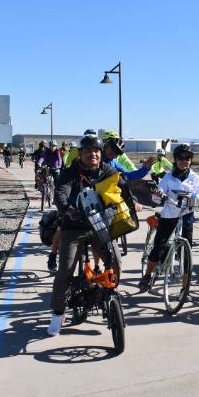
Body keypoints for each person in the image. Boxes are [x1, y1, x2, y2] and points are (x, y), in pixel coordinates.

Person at [47, 134, 123, 336]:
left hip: (99, 226)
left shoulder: (107, 171)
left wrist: (132, 201)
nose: (93, 154)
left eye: (96, 151)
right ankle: (57, 314)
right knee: (65, 270)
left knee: (114, 261)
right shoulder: (70, 173)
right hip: (75, 225)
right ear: (80, 153)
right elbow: (60, 194)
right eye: (88, 151)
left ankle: (109, 294)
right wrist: (67, 209)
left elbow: (120, 187)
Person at [138, 144, 199, 301]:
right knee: (159, 247)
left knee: (186, 255)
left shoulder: (195, 178)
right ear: (175, 160)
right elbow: (157, 198)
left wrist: (198, 198)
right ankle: (148, 275)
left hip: (186, 218)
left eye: (187, 158)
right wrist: (158, 194)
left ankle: (185, 289)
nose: (184, 161)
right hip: (169, 217)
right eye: (180, 158)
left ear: (191, 161)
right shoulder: (168, 178)